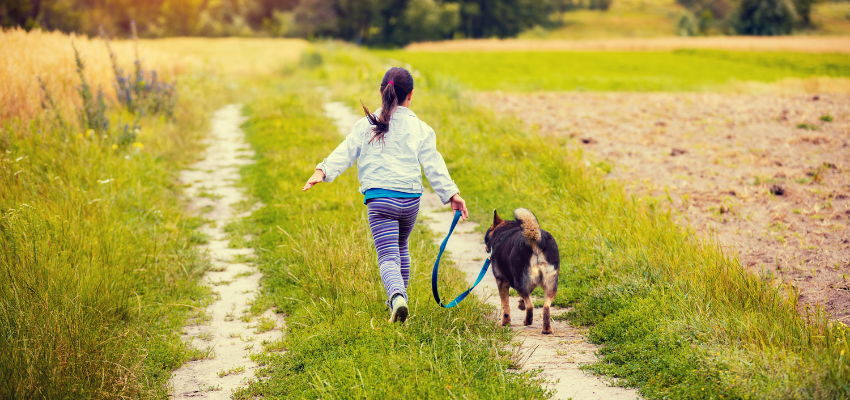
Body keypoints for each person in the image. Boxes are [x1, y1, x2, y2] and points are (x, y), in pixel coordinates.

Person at [302, 67, 468, 323]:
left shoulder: (366, 124)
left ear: (382, 92)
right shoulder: (420, 128)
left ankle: (397, 297)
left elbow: (346, 151)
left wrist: (322, 171)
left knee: (388, 255)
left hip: (381, 200)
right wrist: (451, 194)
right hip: (411, 200)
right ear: (410, 95)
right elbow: (433, 163)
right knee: (402, 248)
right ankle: (401, 300)